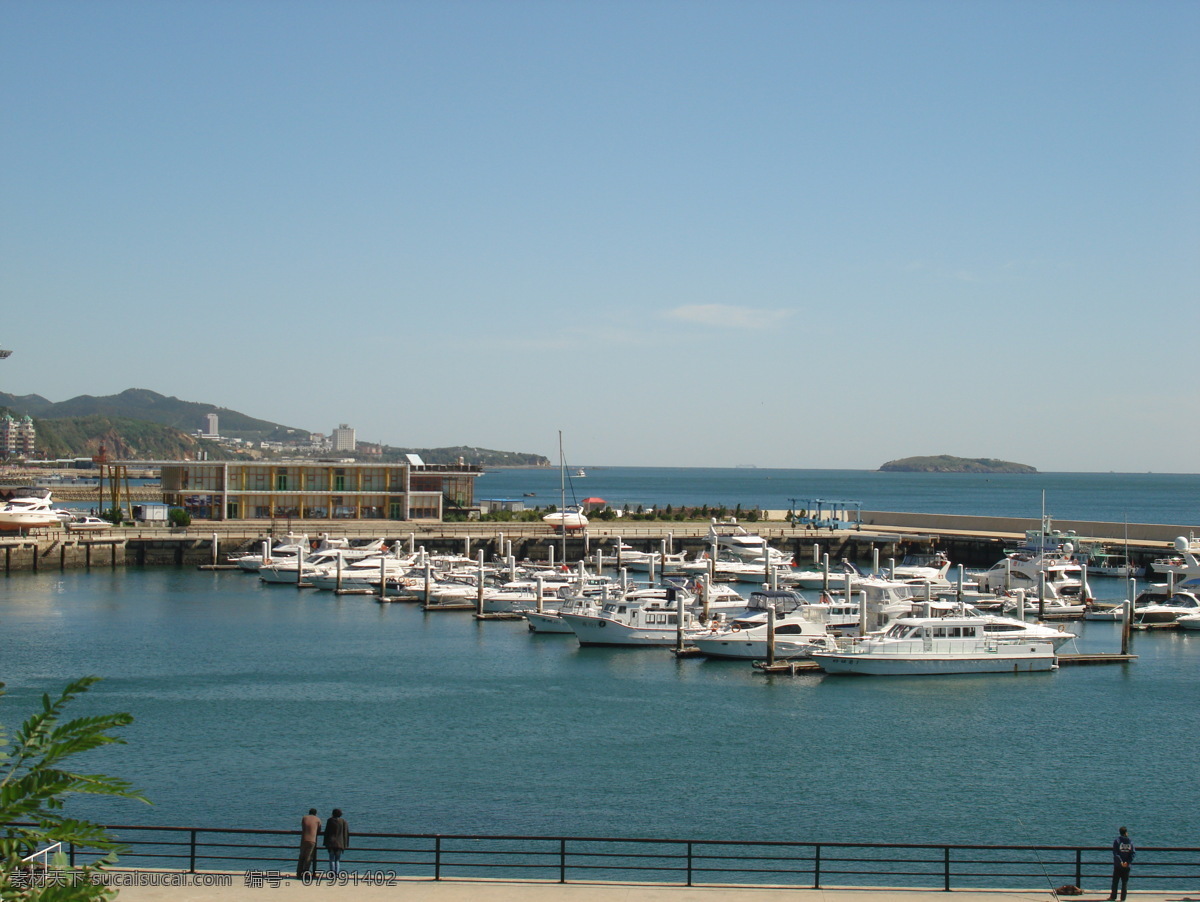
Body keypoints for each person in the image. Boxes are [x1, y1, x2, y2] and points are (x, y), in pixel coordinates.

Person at [1108, 825, 1134, 901]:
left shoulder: (1117, 841)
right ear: (1126, 833)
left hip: (1118, 865)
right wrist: (1127, 862)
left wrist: (1121, 862)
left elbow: (1115, 853)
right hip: (1127, 866)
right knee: (1124, 883)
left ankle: (1113, 897)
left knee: (1115, 881)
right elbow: (1133, 853)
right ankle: (1123, 898)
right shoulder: (1130, 841)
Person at [323, 808, 350, 875]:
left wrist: (325, 842)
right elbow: (345, 833)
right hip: (340, 843)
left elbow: (326, 832)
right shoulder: (344, 821)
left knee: (331, 859)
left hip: (331, 842)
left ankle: (332, 873)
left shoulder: (330, 820)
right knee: (337, 860)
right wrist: (345, 844)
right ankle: (337, 873)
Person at [296, 808, 321, 879]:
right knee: (308, 857)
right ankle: (306, 873)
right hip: (312, 840)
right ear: (315, 813)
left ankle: (298, 873)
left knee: (301, 856)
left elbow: (303, 827)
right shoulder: (318, 819)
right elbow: (319, 830)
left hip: (304, 839)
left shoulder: (304, 818)